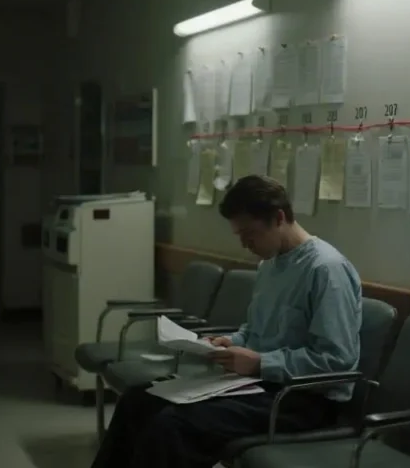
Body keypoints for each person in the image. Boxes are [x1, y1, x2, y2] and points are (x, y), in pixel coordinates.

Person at [90, 175, 363, 468]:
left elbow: (338, 361)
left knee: (172, 427)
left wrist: (260, 363)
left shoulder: (326, 270)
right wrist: (231, 343)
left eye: (249, 233)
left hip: (303, 401)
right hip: (259, 384)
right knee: (138, 401)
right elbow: (256, 331)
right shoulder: (270, 266)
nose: (245, 244)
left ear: (278, 217)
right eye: (239, 236)